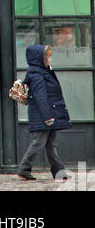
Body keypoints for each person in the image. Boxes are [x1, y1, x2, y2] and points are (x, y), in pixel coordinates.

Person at [17, 44, 72, 181]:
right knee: (39, 142)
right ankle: (24, 168)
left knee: (50, 144)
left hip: (48, 113)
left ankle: (59, 172)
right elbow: (41, 96)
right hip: (44, 115)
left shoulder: (43, 72)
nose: (50, 60)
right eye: (47, 57)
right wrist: (48, 117)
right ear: (40, 59)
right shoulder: (37, 74)